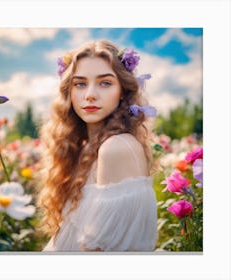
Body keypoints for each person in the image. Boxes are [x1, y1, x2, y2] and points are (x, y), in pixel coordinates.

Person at [37, 39, 157, 252]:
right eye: (80, 83)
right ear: (69, 93)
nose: (90, 94)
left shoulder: (116, 148)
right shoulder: (86, 148)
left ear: (122, 91)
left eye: (105, 83)